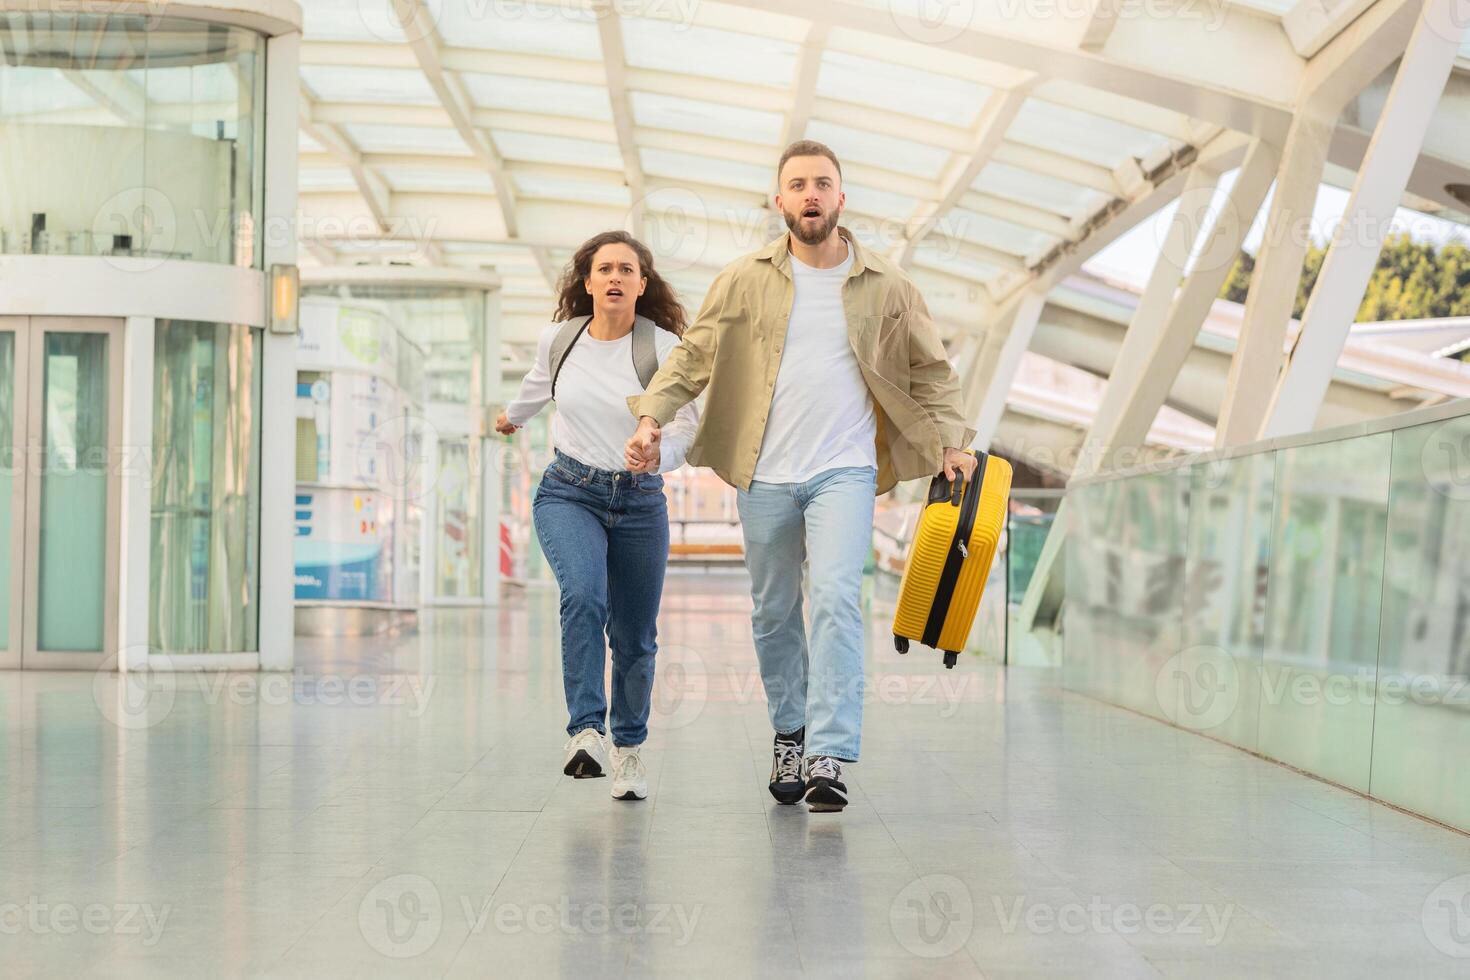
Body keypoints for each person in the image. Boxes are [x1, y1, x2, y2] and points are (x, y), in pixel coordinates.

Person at [624, 140, 975, 813]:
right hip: (765, 472)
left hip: (845, 468)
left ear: (841, 198)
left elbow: (931, 372)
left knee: (840, 596)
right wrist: (652, 419)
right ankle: (791, 730)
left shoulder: (889, 284)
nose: (810, 194)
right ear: (779, 201)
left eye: (822, 183)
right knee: (774, 610)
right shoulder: (742, 279)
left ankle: (830, 753)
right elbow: (693, 359)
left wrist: (952, 443)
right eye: (797, 184)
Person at [497, 230, 698, 802]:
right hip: (570, 492)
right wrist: (511, 418)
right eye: (604, 268)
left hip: (639, 501)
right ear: (587, 283)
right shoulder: (559, 340)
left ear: (641, 284)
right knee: (583, 594)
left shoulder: (661, 348)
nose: (614, 277)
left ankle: (628, 748)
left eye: (626, 270)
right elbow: (540, 387)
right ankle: (586, 730)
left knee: (634, 637)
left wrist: (660, 452)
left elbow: (687, 425)